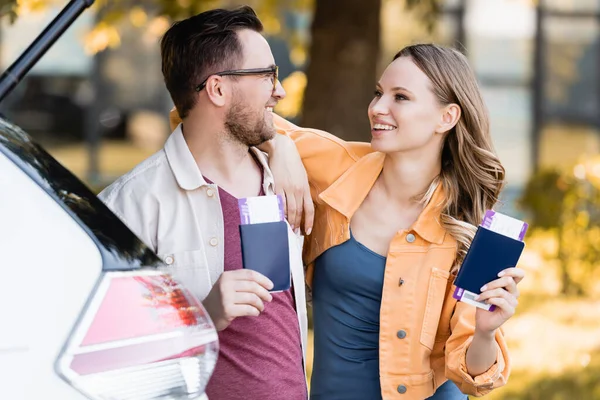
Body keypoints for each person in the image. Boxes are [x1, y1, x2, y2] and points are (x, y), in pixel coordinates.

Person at [172, 43, 525, 399]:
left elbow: (473, 376)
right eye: (378, 93)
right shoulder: (334, 165)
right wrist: (281, 146)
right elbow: (201, 117)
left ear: (446, 117)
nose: (377, 108)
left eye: (400, 97)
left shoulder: (469, 225)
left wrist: (485, 332)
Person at [100, 7, 308, 400]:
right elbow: (108, 353)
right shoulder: (131, 205)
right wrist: (203, 313)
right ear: (217, 89)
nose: (279, 90)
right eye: (267, 75)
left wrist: (286, 147)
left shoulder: (284, 173)